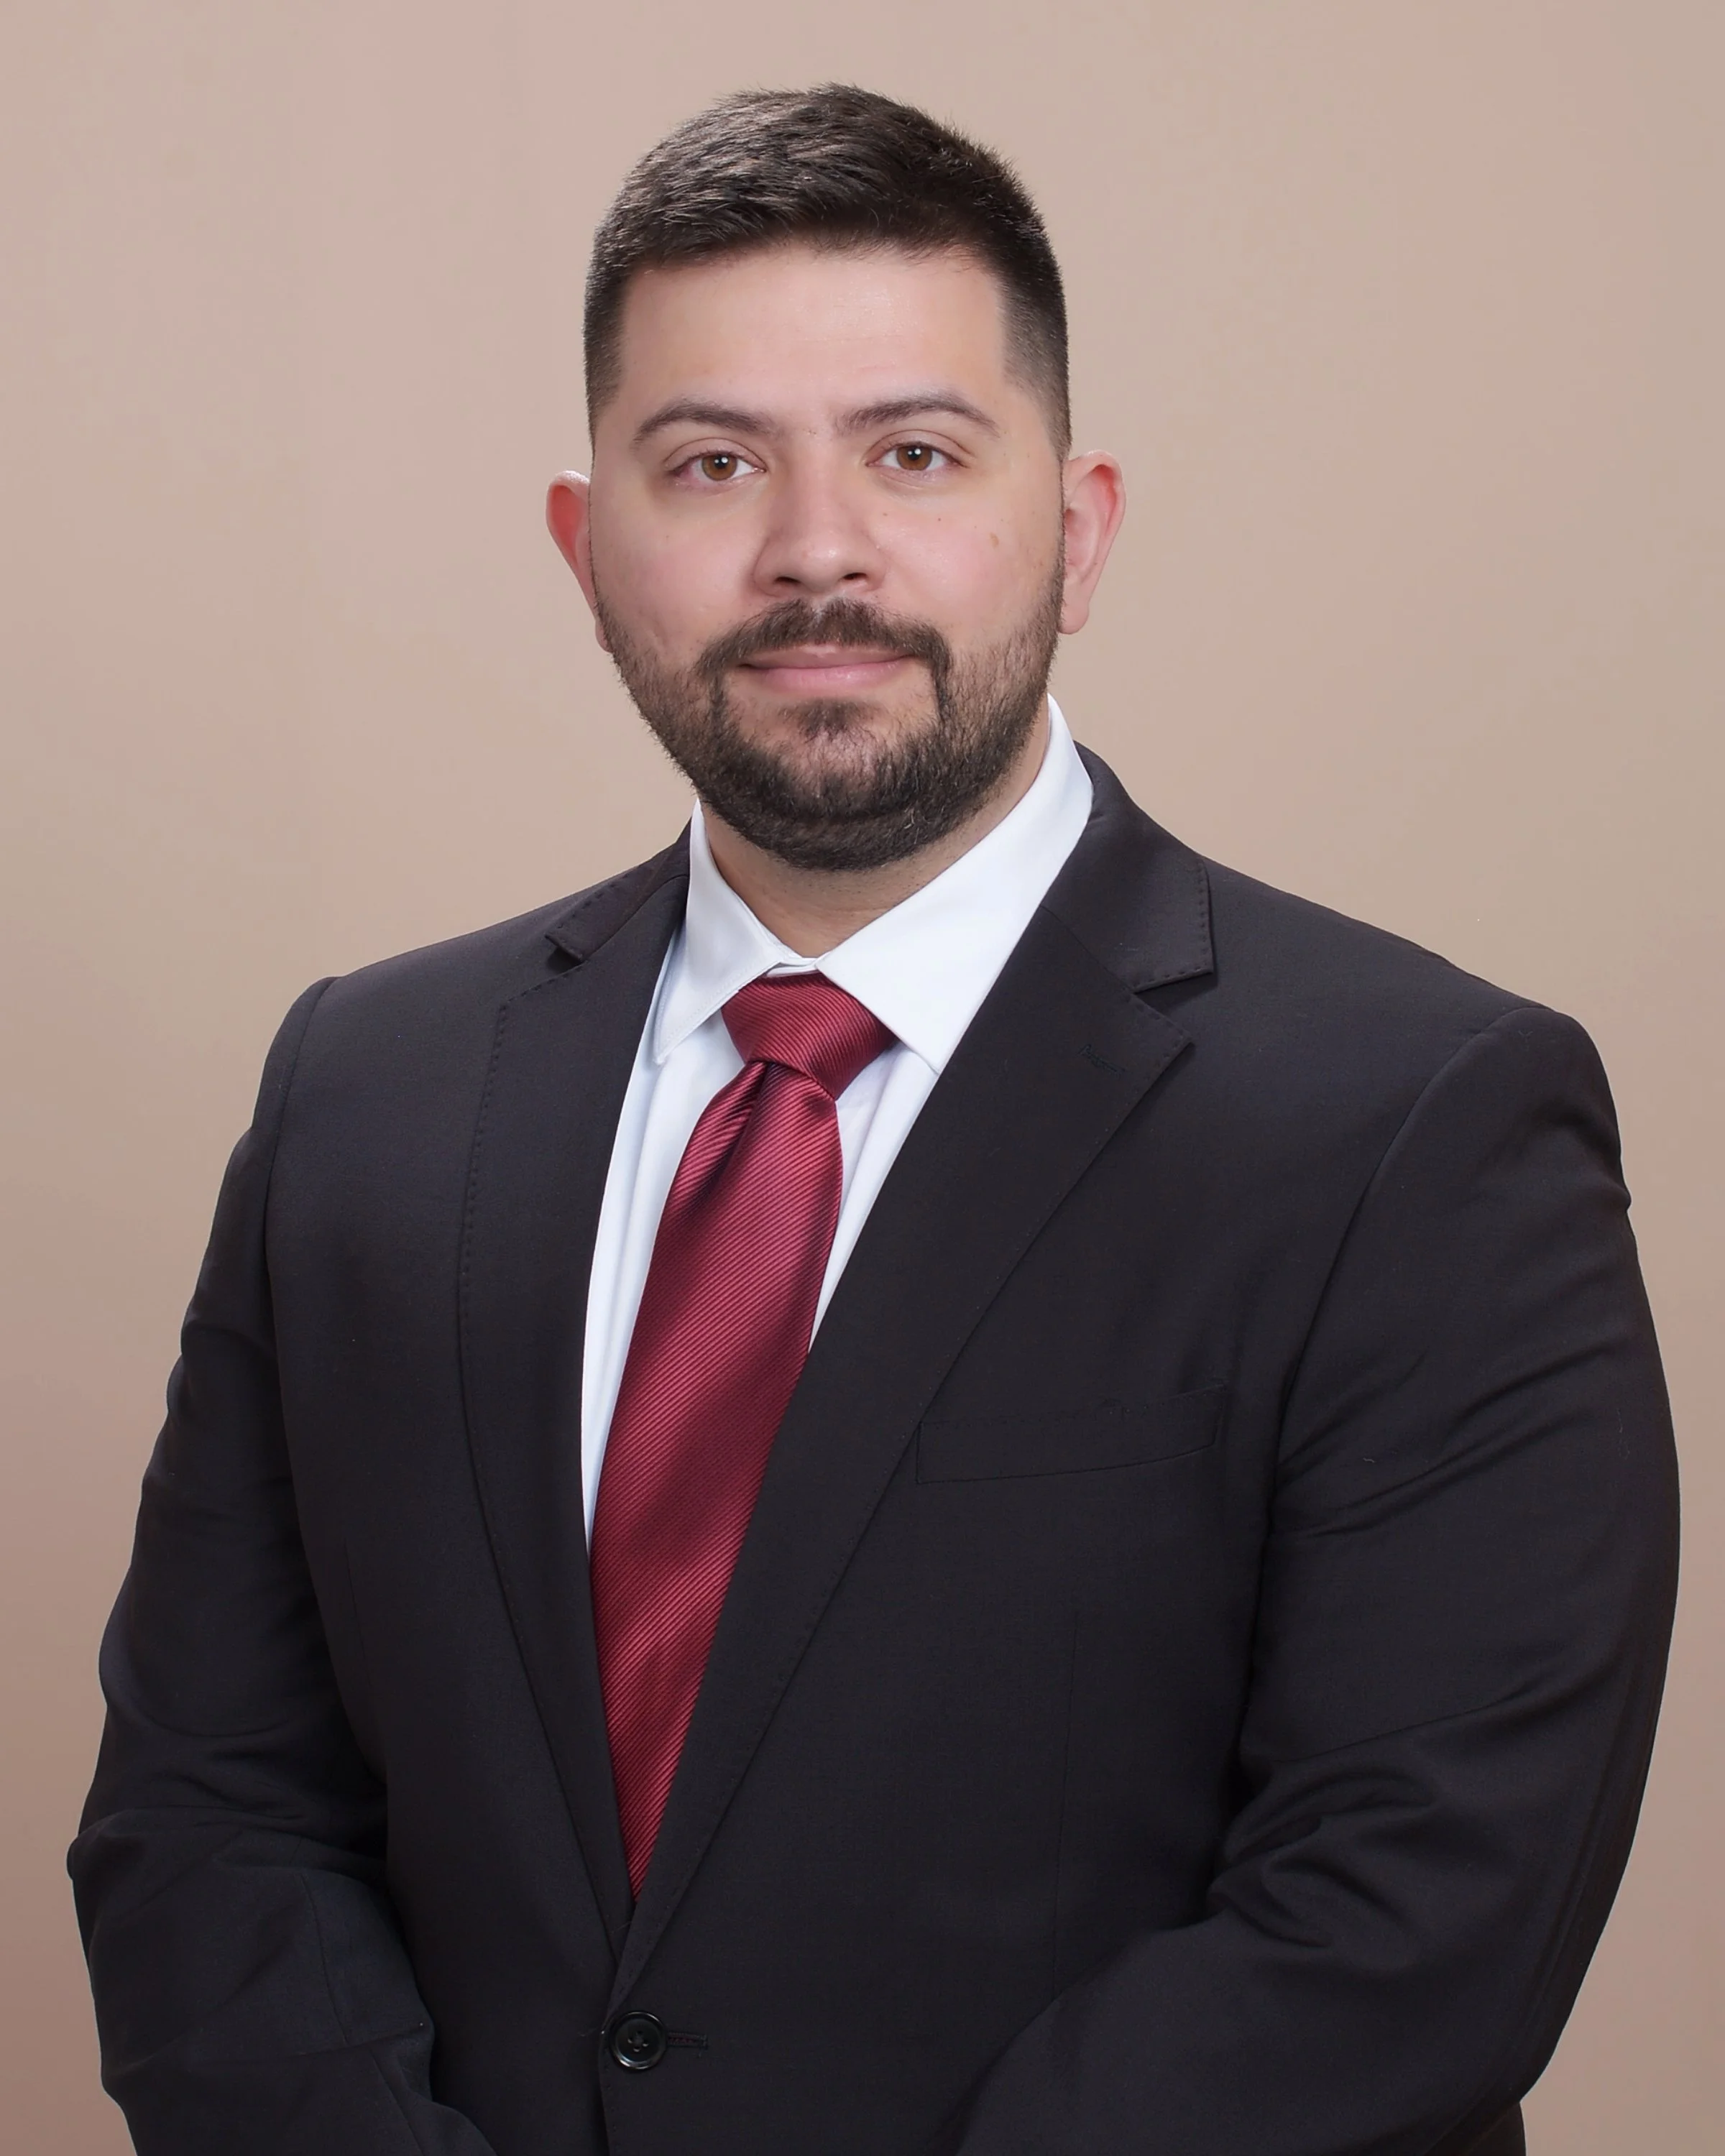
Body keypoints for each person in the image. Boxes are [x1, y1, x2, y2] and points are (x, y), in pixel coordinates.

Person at [70, 84, 1678, 2156]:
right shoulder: (363, 1101)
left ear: (1076, 530)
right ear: (585, 548)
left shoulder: (1422, 1125)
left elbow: (1410, 1930)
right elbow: (207, 1816)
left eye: (915, 455)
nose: (816, 550)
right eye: (711, 461)